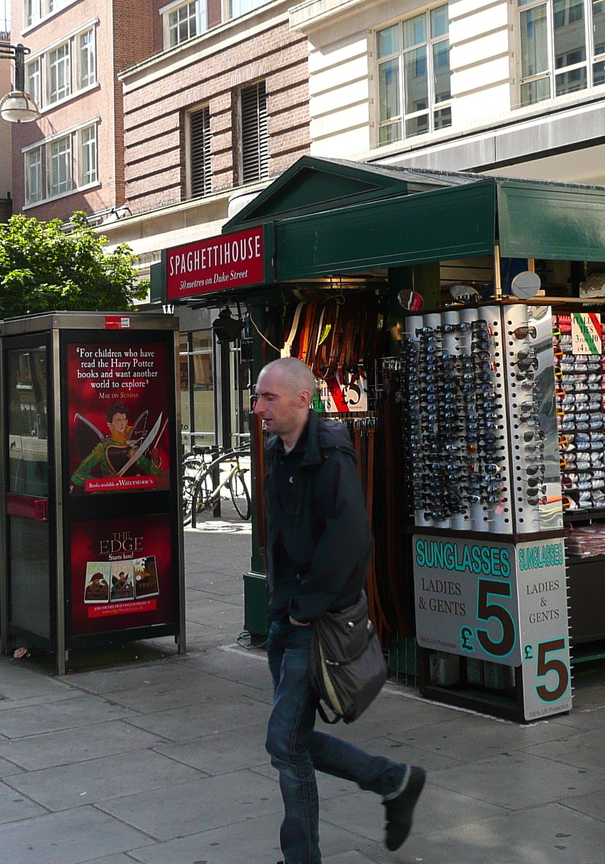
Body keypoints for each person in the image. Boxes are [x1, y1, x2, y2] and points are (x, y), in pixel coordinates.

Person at [253, 357, 424, 864]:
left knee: (284, 743)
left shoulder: (329, 455)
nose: (259, 407)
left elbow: (351, 540)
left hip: (315, 619)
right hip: (287, 614)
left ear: (303, 400)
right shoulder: (277, 452)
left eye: (269, 398)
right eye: (257, 396)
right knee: (296, 739)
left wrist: (307, 609)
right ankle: (394, 781)